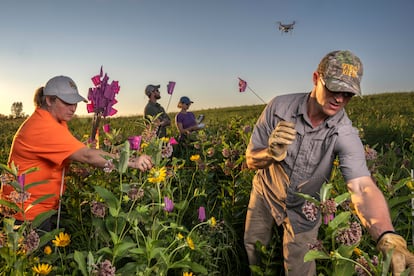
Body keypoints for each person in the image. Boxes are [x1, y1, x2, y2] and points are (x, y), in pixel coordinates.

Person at [244, 50, 414, 275]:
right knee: (254, 250)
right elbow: (250, 160)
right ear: (316, 78)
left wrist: (387, 236)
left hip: (304, 210)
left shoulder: (344, 133)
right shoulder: (279, 108)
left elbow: (362, 187)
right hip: (266, 194)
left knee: (300, 269)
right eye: (334, 88)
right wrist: (270, 153)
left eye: (348, 94)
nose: (340, 99)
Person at [2, 75, 154, 231]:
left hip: (40, 207)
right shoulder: (43, 126)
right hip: (26, 213)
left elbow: (67, 151)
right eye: (67, 102)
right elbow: (87, 155)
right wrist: (131, 162)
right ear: (49, 100)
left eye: (75, 102)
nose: (73, 108)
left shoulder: (56, 120)